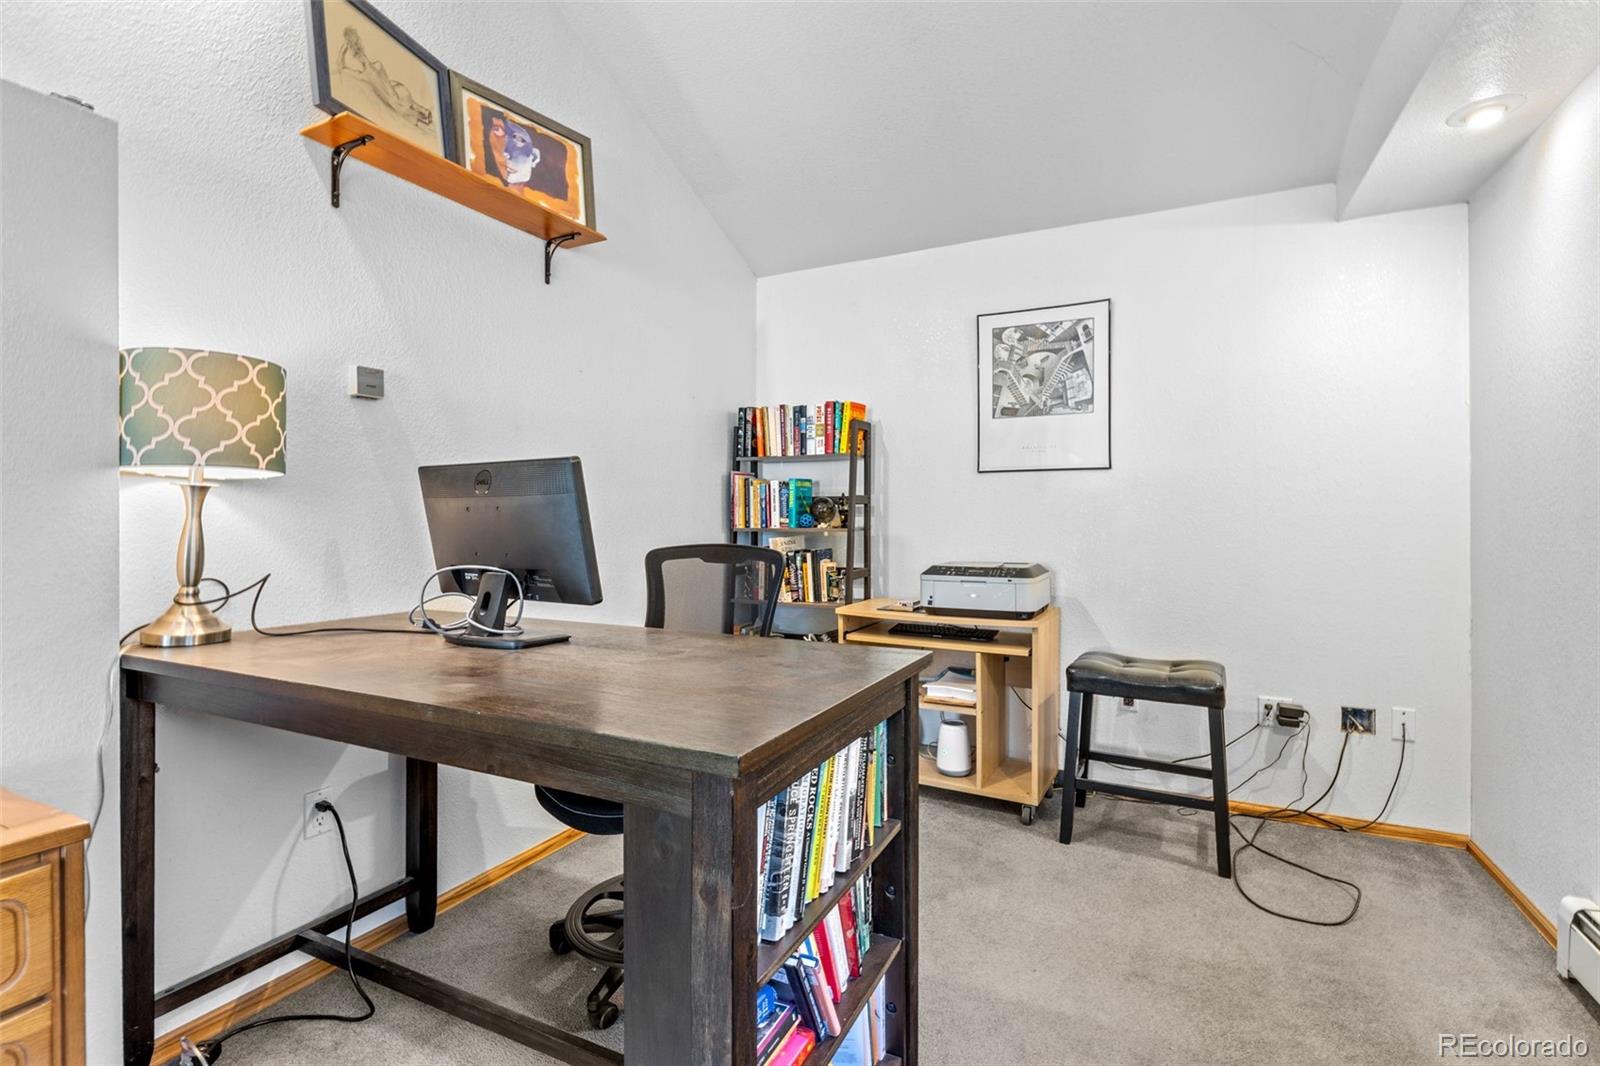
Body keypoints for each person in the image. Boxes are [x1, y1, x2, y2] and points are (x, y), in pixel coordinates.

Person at [337, 26, 432, 129]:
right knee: (411, 104)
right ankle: (424, 112)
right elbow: (386, 83)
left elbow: (341, 67)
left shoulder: (363, 75)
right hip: (399, 88)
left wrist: (343, 50)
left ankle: (423, 114)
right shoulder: (378, 65)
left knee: (406, 108)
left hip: (396, 98)